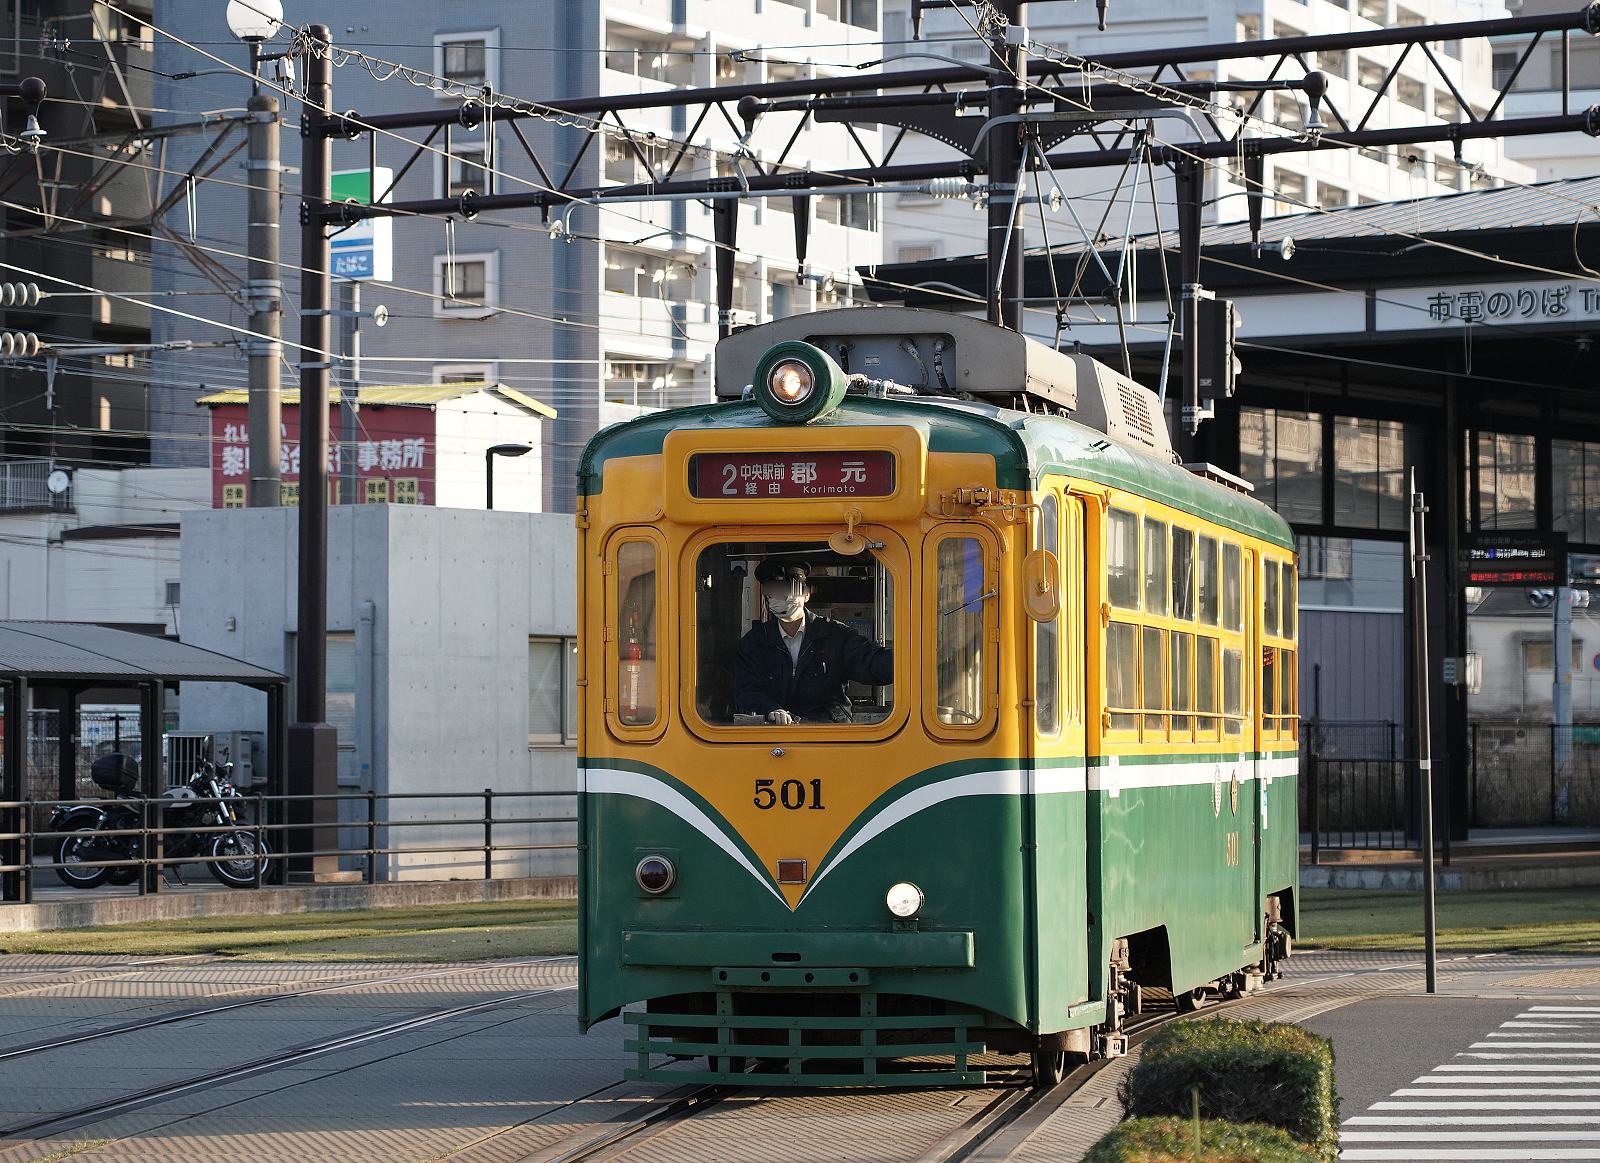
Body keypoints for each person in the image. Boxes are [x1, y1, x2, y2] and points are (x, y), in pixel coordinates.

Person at [734, 560, 893, 724]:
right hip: (777, 733)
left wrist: (904, 664)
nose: (783, 598)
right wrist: (771, 709)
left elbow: (871, 661)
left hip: (828, 733)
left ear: (806, 595)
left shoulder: (836, 635)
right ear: (767, 599)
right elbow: (746, 690)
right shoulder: (754, 642)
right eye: (775, 592)